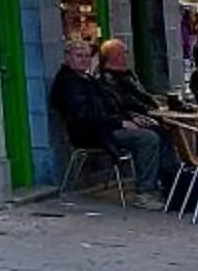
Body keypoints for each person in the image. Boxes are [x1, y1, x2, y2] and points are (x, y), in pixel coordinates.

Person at [53, 46, 163, 193]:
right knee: (148, 138)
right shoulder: (68, 84)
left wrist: (131, 117)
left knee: (159, 129)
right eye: (79, 56)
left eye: (87, 56)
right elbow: (85, 116)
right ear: (68, 58)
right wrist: (121, 122)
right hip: (92, 134)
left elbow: (110, 105)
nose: (84, 60)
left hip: (106, 128)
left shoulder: (89, 79)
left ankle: (169, 181)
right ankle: (146, 191)